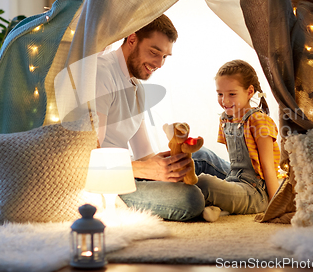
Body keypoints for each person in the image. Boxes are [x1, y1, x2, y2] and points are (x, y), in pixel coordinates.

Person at [95, 14, 229, 221]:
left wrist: (166, 163)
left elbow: (143, 153)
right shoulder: (101, 74)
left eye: (165, 56)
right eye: (154, 52)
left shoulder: (136, 88)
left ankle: (254, 185)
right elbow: (88, 159)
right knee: (190, 199)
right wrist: (146, 170)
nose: (159, 63)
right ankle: (234, 194)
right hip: (108, 182)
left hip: (131, 170)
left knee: (200, 156)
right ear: (132, 39)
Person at [196, 59, 281, 222]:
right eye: (220, 94)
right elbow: (235, 163)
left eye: (232, 94)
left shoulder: (259, 121)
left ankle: (218, 205)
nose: (224, 101)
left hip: (256, 192)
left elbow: (268, 168)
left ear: (249, 92)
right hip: (234, 179)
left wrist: (276, 207)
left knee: (204, 183)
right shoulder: (225, 119)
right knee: (198, 161)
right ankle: (219, 208)